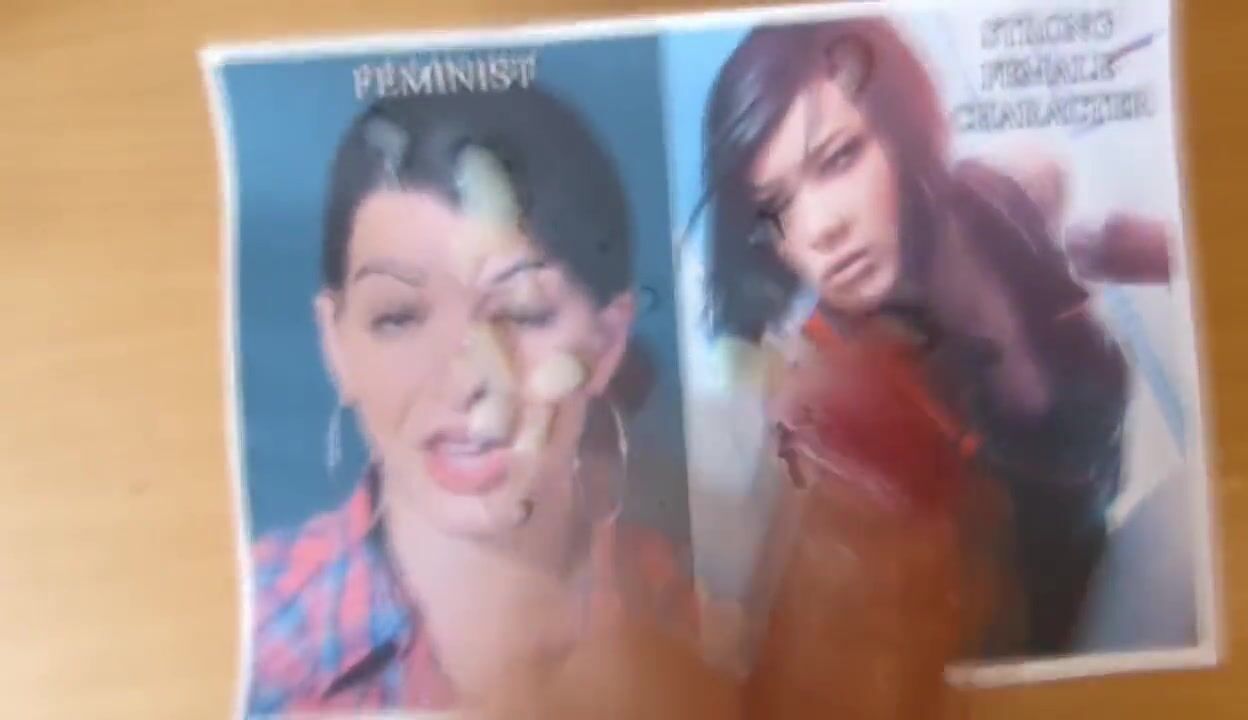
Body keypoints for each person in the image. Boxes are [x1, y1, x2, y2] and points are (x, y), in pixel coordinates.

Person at [700, 17, 1171, 661]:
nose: (819, 226)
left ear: (904, 130)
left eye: (839, 159)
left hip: (1111, 561)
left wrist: (1160, 252)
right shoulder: (828, 400)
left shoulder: (999, 197)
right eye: (775, 206)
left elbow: (1083, 222)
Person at [246, 88, 696, 715]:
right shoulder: (257, 620)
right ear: (336, 343)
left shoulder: (700, 616)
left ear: (607, 341)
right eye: (399, 317)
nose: (466, 381)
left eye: (522, 311)